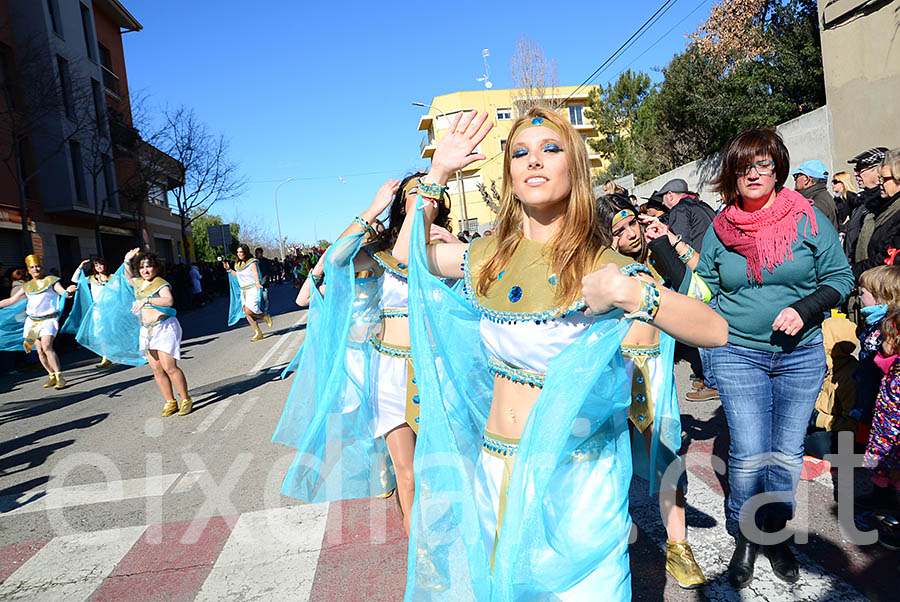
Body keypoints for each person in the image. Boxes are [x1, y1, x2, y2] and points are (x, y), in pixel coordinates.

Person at [392, 108, 726, 599]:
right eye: (520, 154)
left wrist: (634, 295)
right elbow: (408, 255)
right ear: (508, 175)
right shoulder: (488, 256)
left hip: (577, 475)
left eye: (551, 149)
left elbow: (715, 329)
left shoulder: (600, 262)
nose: (534, 162)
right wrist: (437, 174)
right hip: (498, 465)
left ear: (574, 168)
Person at [688, 128, 854, 589]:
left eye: (763, 164)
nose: (753, 174)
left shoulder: (808, 219)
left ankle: (775, 531)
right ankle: (746, 534)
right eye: (743, 167)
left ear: (779, 168)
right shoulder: (721, 229)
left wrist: (804, 310)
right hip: (740, 352)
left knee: (784, 453)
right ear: (732, 176)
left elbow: (841, 278)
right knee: (746, 452)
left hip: (800, 356)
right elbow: (706, 288)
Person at [275, 174, 455, 536]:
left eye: (434, 191)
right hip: (389, 367)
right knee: (409, 472)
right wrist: (373, 209)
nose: (425, 199)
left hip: (442, 367)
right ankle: (420, 555)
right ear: (400, 204)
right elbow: (335, 258)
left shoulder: (452, 247)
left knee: (445, 465)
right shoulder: (380, 253)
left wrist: (453, 242)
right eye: (415, 193)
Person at [598, 195, 706, 589]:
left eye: (632, 225)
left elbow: (699, 293)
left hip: (656, 374)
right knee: (608, 465)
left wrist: (667, 241)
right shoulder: (602, 270)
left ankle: (678, 547)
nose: (630, 235)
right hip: (614, 376)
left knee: (666, 460)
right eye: (618, 231)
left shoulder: (655, 260)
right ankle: (609, 547)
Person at [852, 265, 900, 510]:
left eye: (863, 292)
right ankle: (881, 495)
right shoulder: (873, 321)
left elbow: (887, 360)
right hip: (878, 400)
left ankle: (889, 498)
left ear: (882, 296)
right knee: (879, 449)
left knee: (890, 453)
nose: (859, 296)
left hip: (888, 401)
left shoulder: (889, 325)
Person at [123, 249, 192, 416]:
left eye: (149, 267)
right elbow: (128, 278)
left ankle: (185, 399)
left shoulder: (160, 283)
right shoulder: (139, 282)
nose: (145, 270)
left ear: (156, 268)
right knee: (157, 369)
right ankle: (170, 401)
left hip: (164, 327)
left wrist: (147, 300)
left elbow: (168, 301)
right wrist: (126, 261)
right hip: (146, 331)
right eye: (142, 267)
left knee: (169, 366)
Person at [0, 254, 74, 389]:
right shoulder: (27, 287)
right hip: (32, 322)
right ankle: (51, 375)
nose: (36, 269)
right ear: (28, 271)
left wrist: (68, 291)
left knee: (47, 347)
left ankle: (59, 376)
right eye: (33, 267)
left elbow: (63, 293)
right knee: (39, 351)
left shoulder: (52, 281)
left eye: (38, 266)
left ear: (42, 267)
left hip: (48, 320)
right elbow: (11, 301)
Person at [861, 304, 900, 550]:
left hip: (895, 440)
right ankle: (886, 501)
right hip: (885, 433)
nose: (881, 343)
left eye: (886, 339)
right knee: (885, 470)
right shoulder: (891, 366)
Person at [850, 148, 900, 279]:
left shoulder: (894, 212)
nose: (879, 182)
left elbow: (887, 257)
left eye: (883, 178)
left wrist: (853, 271)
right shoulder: (882, 207)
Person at [64, 257, 114, 368]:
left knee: (112, 331)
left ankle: (115, 353)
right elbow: (75, 280)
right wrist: (80, 267)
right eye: (96, 265)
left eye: (101, 264)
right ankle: (105, 356)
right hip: (97, 310)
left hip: (111, 309)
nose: (99, 267)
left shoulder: (112, 277)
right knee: (100, 333)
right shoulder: (91, 278)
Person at [844, 146, 888, 261]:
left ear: (879, 170)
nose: (855, 174)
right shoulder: (862, 200)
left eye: (860, 169)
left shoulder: (884, 202)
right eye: (855, 169)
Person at [224, 244, 272, 341]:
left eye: (241, 252)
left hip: (252, 289)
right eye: (238, 252)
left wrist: (258, 283)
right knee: (246, 313)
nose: (239, 254)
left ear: (245, 252)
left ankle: (265, 317)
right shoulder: (238, 265)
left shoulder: (252, 262)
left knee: (249, 310)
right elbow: (238, 276)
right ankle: (258, 332)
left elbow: (255, 273)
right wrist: (229, 269)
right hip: (244, 291)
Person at [658, 178, 716, 252]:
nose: (662, 203)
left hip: (700, 259)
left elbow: (682, 245)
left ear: (670, 195)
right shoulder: (704, 205)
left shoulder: (679, 210)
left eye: (663, 198)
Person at [791, 160, 838, 229]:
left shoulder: (814, 203)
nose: (795, 180)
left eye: (796, 176)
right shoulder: (823, 196)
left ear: (806, 179)